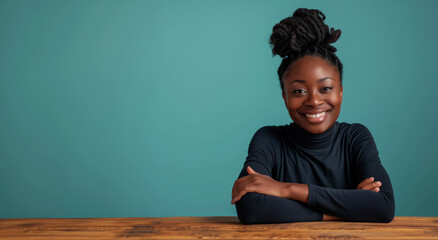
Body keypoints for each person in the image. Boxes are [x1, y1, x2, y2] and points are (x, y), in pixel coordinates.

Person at [231, 8, 395, 224]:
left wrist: (285, 189)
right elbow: (251, 208)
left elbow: (382, 206)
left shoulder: (356, 137)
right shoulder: (268, 140)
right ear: (285, 97)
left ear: (341, 92)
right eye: (299, 91)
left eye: (325, 88)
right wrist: (348, 207)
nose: (314, 101)